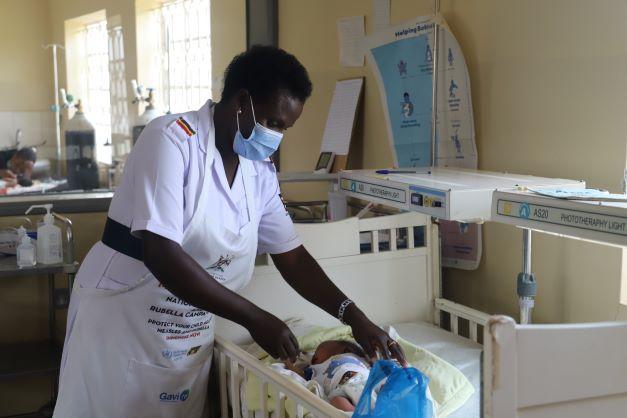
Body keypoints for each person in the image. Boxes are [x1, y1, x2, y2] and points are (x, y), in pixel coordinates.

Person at [53, 46, 405, 418]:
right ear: (241, 102)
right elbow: (161, 254)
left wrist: (353, 316)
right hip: (125, 319)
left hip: (188, 330)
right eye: (273, 122)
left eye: (285, 128)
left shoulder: (258, 172)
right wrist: (253, 317)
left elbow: (293, 256)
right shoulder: (172, 142)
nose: (277, 136)